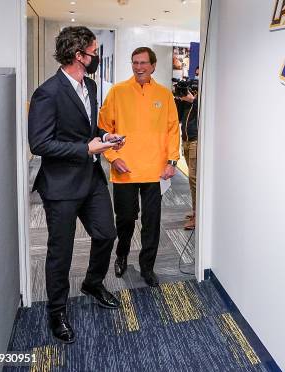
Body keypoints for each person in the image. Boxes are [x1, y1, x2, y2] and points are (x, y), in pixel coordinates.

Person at [28, 26, 125, 344]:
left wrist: (104, 137)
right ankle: (57, 311)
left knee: (107, 234)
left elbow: (86, 126)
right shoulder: (48, 92)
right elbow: (40, 143)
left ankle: (92, 283)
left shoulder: (92, 85)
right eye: (94, 52)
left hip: (91, 178)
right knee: (61, 251)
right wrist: (85, 149)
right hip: (60, 185)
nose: (97, 57)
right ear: (77, 55)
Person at [99, 47, 180, 287]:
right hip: (125, 169)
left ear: (153, 66)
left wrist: (172, 161)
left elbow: (173, 130)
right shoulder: (118, 91)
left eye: (144, 63)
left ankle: (147, 267)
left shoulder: (164, 95)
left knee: (151, 222)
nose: (139, 67)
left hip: (155, 171)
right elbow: (103, 130)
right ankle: (121, 255)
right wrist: (113, 158)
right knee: (125, 219)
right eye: (135, 62)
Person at [176, 66, 199, 230]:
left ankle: (198, 215)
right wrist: (179, 99)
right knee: (192, 180)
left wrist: (195, 101)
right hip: (185, 140)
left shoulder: (202, 99)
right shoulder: (187, 99)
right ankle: (195, 210)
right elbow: (178, 117)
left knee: (194, 179)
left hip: (196, 141)